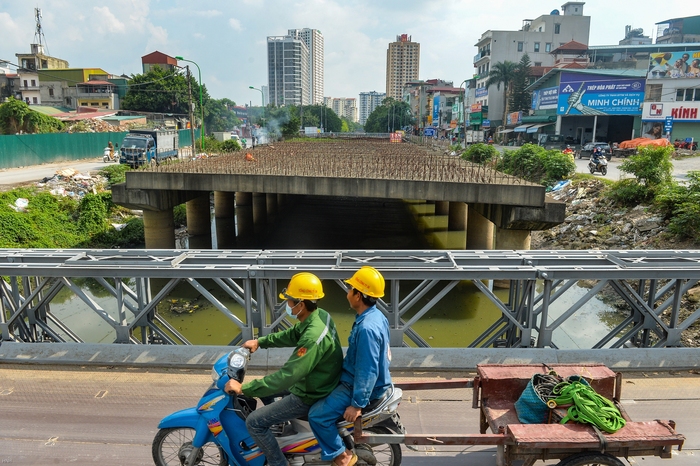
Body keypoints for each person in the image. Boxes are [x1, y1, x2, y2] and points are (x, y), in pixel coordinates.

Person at [225, 272, 343, 466]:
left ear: (301, 304)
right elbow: (292, 335)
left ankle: (278, 463)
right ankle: (280, 429)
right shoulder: (320, 316)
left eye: (289, 301)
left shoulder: (312, 337)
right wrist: (260, 342)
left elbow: (287, 376)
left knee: (254, 422)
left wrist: (244, 388)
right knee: (265, 390)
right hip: (318, 378)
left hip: (311, 391)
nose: (287, 305)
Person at [309, 266, 392, 466]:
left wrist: (357, 404)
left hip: (356, 386)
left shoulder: (366, 329)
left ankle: (343, 457)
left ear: (359, 296)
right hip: (354, 379)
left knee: (317, 416)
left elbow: (367, 370)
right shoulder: (375, 316)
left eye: (351, 289)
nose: (348, 292)